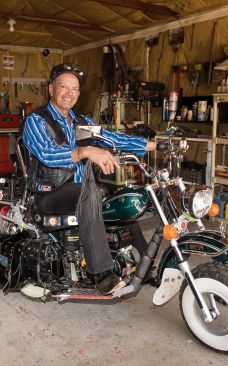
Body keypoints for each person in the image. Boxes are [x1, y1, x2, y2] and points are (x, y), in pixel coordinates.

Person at [23, 63, 156, 294]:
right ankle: (101, 273)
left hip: (80, 191)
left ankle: (147, 270)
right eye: (63, 87)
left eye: (74, 89)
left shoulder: (79, 123)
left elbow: (111, 138)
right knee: (92, 191)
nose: (69, 93)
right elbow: (46, 153)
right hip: (49, 193)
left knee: (122, 203)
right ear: (51, 89)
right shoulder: (36, 121)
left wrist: (152, 145)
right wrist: (84, 152)